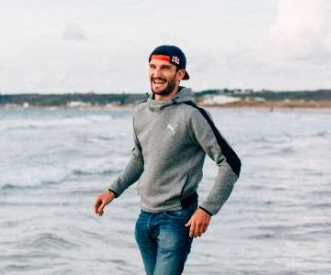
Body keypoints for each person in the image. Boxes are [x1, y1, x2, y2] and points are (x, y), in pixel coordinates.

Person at [93, 45, 241, 275]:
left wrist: (207, 209)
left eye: (165, 68)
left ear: (180, 74)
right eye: (153, 67)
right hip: (144, 218)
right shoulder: (141, 111)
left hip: (177, 219)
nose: (157, 73)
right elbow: (140, 158)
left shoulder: (192, 115)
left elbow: (230, 163)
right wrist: (112, 191)